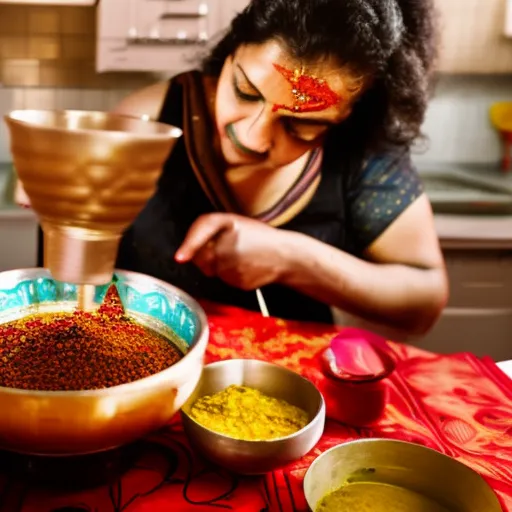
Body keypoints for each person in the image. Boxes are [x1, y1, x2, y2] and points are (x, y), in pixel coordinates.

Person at [112, 0, 448, 335]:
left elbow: (424, 301)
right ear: (232, 51)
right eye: (244, 91)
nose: (251, 138)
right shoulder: (143, 123)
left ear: (349, 118)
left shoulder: (361, 153)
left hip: (292, 384)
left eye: (298, 128)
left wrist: (290, 258)